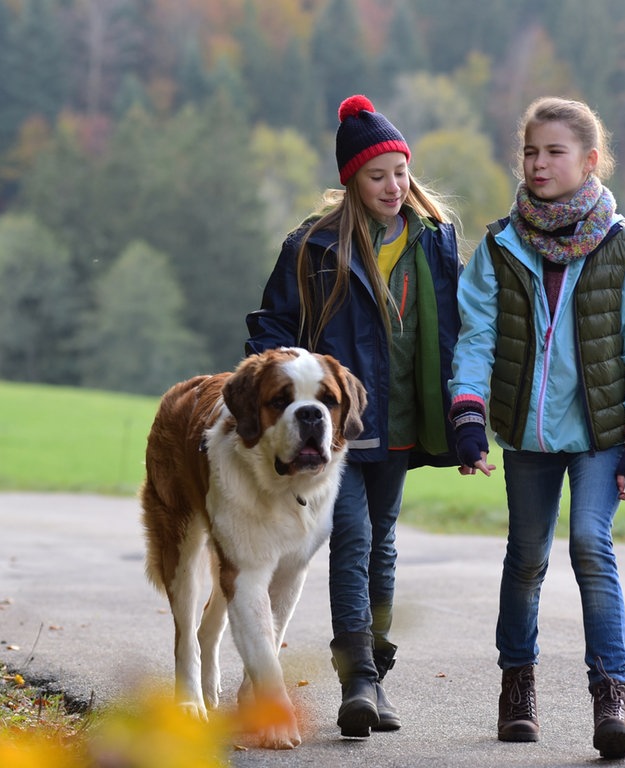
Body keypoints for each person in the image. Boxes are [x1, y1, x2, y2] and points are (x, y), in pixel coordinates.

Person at [448, 96, 625, 760]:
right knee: (526, 558)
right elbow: (477, 338)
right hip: (529, 434)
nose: (539, 163)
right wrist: (467, 414)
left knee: (589, 546)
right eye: (530, 151)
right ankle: (518, 686)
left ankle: (612, 697)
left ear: (589, 160)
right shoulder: (499, 246)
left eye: (555, 151)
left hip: (603, 433)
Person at [245, 94, 463, 738]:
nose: (393, 186)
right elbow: (273, 327)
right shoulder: (313, 247)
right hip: (336, 430)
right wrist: (262, 396)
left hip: (402, 419)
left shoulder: (436, 240)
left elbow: (461, 329)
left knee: (384, 543)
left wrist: (467, 410)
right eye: (377, 175)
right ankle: (358, 680)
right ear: (350, 182)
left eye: (400, 171)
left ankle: (374, 677)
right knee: (355, 538)